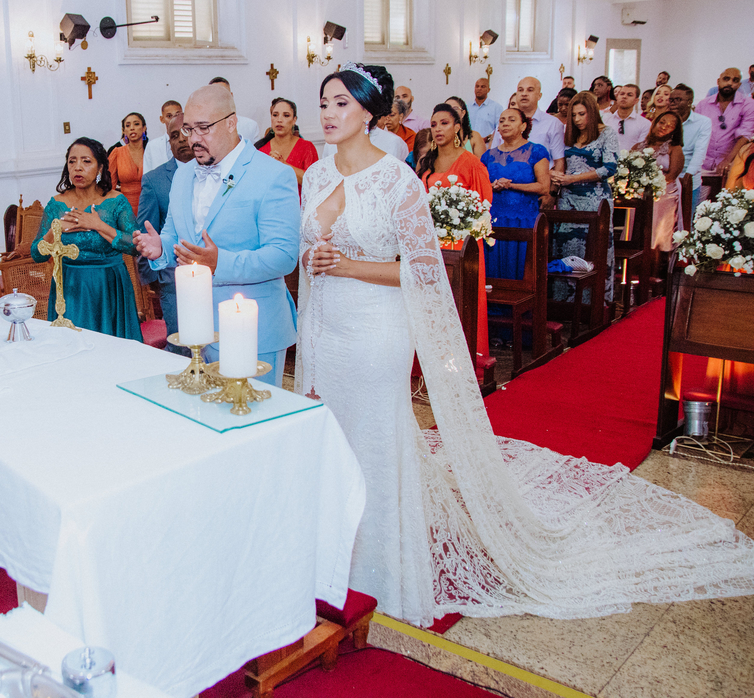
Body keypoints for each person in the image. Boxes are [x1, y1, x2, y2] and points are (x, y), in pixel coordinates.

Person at [295, 61, 754, 630]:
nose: (329, 114)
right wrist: (313, 288)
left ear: (369, 110)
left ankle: (377, 570)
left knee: (373, 440)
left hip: (374, 332)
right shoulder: (315, 177)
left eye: (341, 103)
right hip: (327, 330)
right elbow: (311, 255)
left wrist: (349, 265)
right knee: (332, 441)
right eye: (324, 103)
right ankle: (328, 554)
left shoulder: (397, 180)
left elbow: (421, 270)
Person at [133, 83, 300, 388]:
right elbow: (174, 234)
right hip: (197, 327)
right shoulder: (184, 173)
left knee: (255, 422)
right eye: (188, 129)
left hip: (254, 329)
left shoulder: (273, 174)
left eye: (203, 128)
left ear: (231, 123)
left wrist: (219, 263)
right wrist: (161, 248)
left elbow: (284, 255)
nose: (194, 139)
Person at [33, 137, 142, 340]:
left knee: (111, 352)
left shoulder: (115, 201)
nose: (78, 168)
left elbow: (135, 246)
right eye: (72, 162)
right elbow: (36, 254)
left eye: (86, 161)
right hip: (70, 288)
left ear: (100, 167)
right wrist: (54, 230)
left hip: (109, 287)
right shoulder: (57, 204)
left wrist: (98, 225)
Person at [417, 102, 492, 357]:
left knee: (460, 302)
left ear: (458, 127)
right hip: (430, 243)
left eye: (445, 123)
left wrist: (457, 225)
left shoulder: (470, 163)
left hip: (461, 244)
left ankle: (463, 358)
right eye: (434, 124)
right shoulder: (427, 161)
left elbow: (484, 205)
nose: (438, 129)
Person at [551, 92, 619, 303]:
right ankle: (564, 301)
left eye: (582, 114)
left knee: (593, 248)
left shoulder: (606, 133)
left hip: (595, 199)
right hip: (568, 199)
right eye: (574, 115)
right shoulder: (568, 135)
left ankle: (594, 302)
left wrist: (574, 179)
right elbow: (559, 161)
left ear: (593, 112)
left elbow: (609, 168)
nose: (578, 119)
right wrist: (555, 174)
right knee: (565, 246)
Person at [139, 118, 195, 356]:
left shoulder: (220, 173)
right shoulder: (155, 180)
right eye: (174, 136)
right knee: (182, 349)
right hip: (173, 282)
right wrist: (155, 277)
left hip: (216, 279)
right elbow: (147, 229)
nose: (181, 139)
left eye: (185, 132)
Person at [482, 107, 551, 280]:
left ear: (523, 126)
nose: (505, 123)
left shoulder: (536, 151)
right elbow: (481, 187)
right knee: (493, 271)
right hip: (494, 219)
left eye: (511, 120)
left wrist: (511, 186)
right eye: (502, 120)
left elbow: (543, 187)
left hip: (523, 220)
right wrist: (494, 185)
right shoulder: (488, 156)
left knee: (520, 269)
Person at [697, 68, 754, 190]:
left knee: (724, 205)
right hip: (702, 165)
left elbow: (745, 135)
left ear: (739, 85)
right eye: (726, 79)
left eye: (735, 80)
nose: (729, 83)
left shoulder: (748, 104)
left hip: (730, 166)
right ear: (718, 81)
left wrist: (728, 160)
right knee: (697, 205)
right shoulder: (703, 105)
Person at [644, 111, 685, 252]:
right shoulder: (639, 146)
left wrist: (653, 185)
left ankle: (658, 254)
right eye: (662, 122)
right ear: (655, 123)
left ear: (675, 130)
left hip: (664, 192)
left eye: (670, 125)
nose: (664, 127)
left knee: (658, 207)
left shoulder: (675, 148)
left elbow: (673, 174)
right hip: (641, 192)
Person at [256, 97, 319, 186]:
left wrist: (284, 165)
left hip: (298, 199)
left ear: (294, 120)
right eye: (275, 115)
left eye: (286, 115)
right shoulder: (261, 150)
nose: (279, 120)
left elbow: (314, 182)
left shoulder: (306, 147)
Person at [670, 83, 713, 213]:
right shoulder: (665, 120)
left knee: (688, 220)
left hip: (689, 178)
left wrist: (689, 175)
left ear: (689, 102)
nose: (673, 103)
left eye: (678, 100)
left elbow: (699, 151)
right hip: (666, 179)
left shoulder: (703, 122)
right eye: (671, 100)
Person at [109, 112, 147, 216]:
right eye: (128, 125)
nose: (132, 128)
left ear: (144, 128)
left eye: (136, 124)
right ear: (124, 131)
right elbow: (109, 185)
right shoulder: (117, 153)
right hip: (125, 208)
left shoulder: (151, 151)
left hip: (149, 205)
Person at [208, 76, 261, 141]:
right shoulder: (202, 127)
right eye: (215, 94)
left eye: (223, 94)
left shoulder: (250, 126)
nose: (219, 98)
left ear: (231, 95)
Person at [603, 83, 651, 152]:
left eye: (629, 95)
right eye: (622, 94)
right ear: (617, 97)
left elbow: (641, 149)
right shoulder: (606, 120)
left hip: (631, 161)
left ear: (636, 100)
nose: (624, 97)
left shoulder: (644, 124)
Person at [143, 100, 182, 174]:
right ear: (162, 119)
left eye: (177, 115)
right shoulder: (152, 146)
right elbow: (147, 175)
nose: (173, 119)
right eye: (169, 116)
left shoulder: (190, 141)